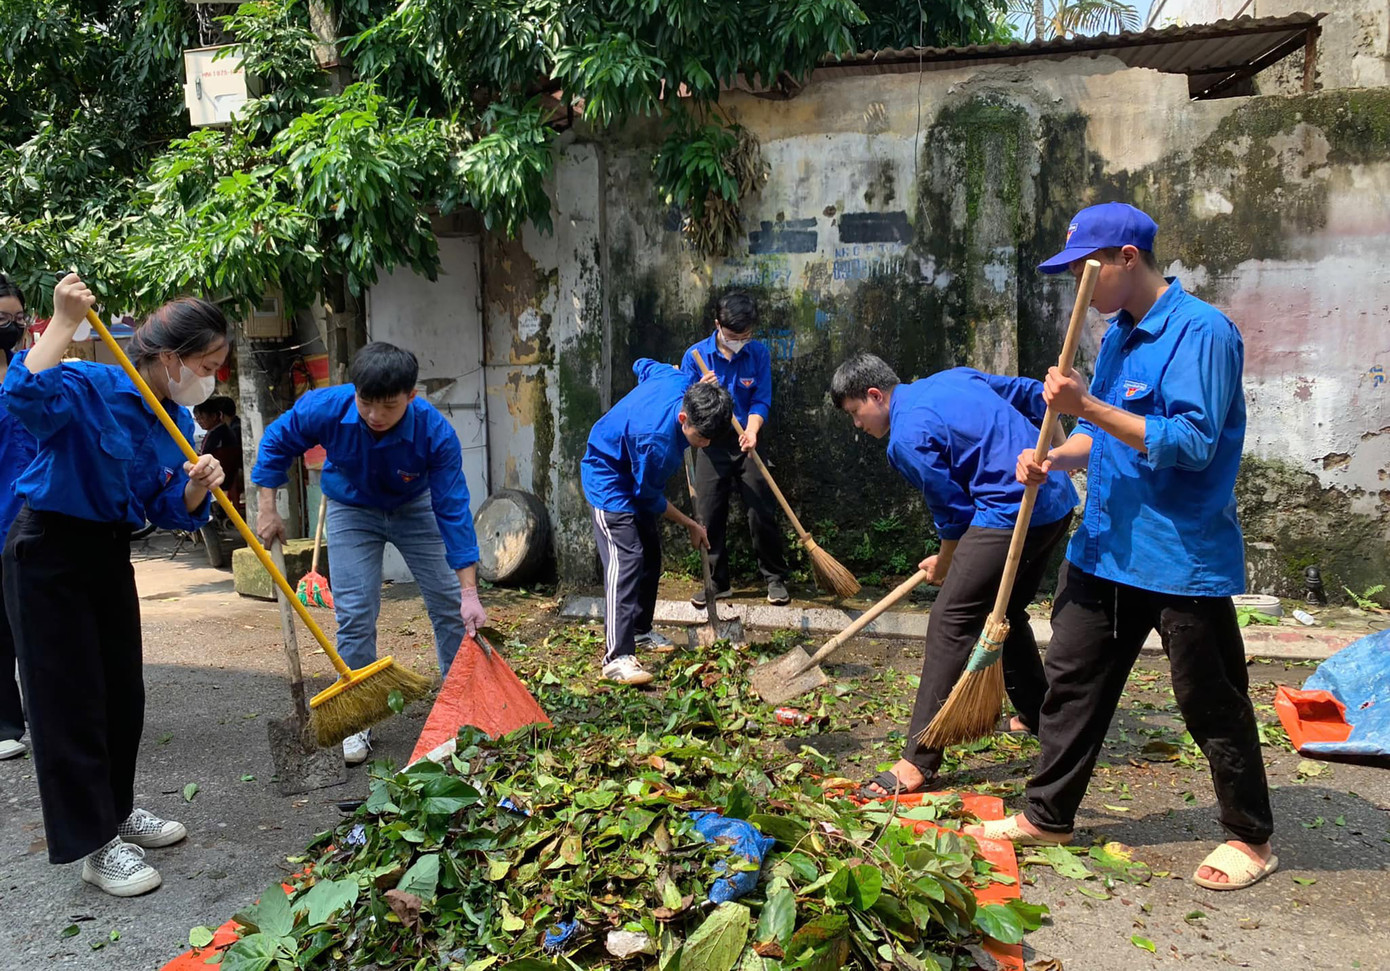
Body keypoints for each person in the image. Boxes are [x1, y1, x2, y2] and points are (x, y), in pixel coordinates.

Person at [965, 202, 1277, 892]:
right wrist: (1054, 455)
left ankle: (1250, 834)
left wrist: (1088, 407)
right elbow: (1102, 437)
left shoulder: (1203, 332)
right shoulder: (1117, 336)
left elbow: (1191, 445)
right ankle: (1049, 813)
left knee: (1210, 697)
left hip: (1178, 555)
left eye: (1085, 267)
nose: (1079, 280)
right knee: (1070, 683)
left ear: (1125, 259)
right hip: (1104, 546)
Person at [3, 273, 226, 897]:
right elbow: (20, 396)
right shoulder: (88, 383)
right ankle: (94, 844)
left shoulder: (171, 418)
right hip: (48, 550)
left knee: (121, 693)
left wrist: (195, 486)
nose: (211, 377)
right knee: (65, 702)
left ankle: (118, 811)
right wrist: (63, 320)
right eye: (206, 364)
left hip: (107, 555)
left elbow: (163, 506)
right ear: (170, 358)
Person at [831, 353, 1077, 796]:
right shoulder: (953, 376)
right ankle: (1039, 715)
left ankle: (917, 761)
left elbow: (955, 514)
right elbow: (1033, 394)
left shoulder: (904, 438)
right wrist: (1058, 454)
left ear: (874, 395)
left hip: (1011, 510)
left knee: (950, 621)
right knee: (1006, 611)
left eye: (855, 413)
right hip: (1056, 499)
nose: (857, 426)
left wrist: (945, 563)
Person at [251, 342, 487, 765]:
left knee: (451, 608)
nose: (375, 416)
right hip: (351, 508)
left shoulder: (435, 432)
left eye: (389, 407)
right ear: (354, 391)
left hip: (416, 508)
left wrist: (470, 592)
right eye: (366, 404)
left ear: (411, 398)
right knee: (356, 611)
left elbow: (452, 509)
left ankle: (460, 708)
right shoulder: (325, 406)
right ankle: (358, 719)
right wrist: (267, 507)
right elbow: (276, 441)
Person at [582, 359, 732, 685]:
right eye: (702, 438)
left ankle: (640, 630)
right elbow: (647, 497)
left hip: (631, 466)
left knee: (650, 553)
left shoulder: (677, 379)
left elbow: (642, 365)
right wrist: (691, 524)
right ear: (683, 418)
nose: (705, 444)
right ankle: (616, 658)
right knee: (627, 559)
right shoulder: (658, 445)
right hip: (608, 475)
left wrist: (667, 367)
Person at [680, 292, 792, 607]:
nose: (739, 342)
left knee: (761, 510)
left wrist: (753, 431)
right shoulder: (696, 356)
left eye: (745, 336)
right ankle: (717, 582)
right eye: (733, 337)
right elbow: (683, 402)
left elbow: (761, 398)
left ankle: (774, 578)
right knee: (708, 514)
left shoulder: (758, 354)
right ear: (718, 325)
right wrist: (700, 389)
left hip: (748, 439)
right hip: (710, 442)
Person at [0, 273, 36, 761]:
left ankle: (49, 712)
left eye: (16, 318)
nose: (10, 327)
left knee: (39, 626)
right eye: (0, 319)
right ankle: (6, 721)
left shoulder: (31, 367)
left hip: (36, 518)